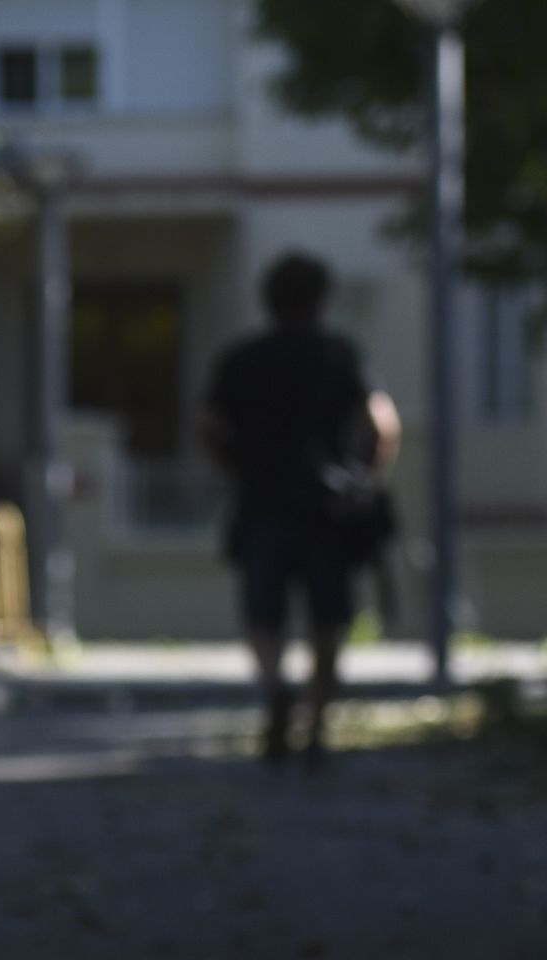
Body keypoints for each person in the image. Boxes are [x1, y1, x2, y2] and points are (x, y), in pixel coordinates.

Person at [199, 252, 402, 765]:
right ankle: (316, 726)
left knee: (262, 616)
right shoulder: (339, 354)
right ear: (320, 299)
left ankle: (274, 689)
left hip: (262, 500)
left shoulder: (242, 358)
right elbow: (383, 425)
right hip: (325, 508)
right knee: (326, 621)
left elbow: (207, 427)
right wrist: (368, 479)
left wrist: (236, 467)